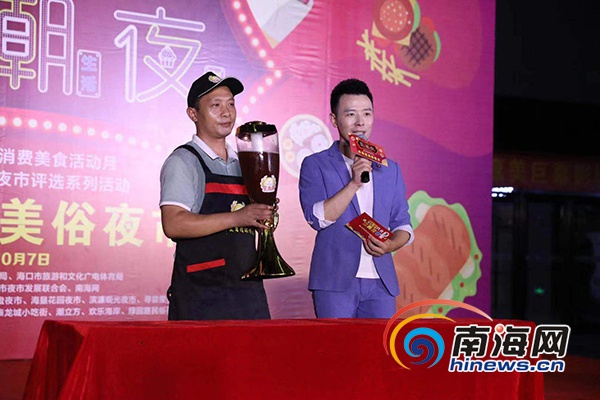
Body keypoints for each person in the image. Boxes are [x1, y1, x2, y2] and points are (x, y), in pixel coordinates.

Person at [159, 71, 274, 320]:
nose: (226, 112)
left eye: (231, 104)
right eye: (216, 105)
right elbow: (173, 223)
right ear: (193, 114)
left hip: (247, 291)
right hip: (202, 293)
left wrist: (263, 214)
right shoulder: (183, 161)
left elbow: (250, 221)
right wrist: (239, 217)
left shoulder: (245, 164)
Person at [299, 78, 414, 318]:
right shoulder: (316, 164)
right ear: (334, 120)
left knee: (379, 343)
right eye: (351, 114)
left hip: (381, 282)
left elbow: (403, 225)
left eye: (367, 114)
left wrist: (390, 245)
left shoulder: (390, 169)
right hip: (334, 281)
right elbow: (317, 218)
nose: (360, 122)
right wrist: (353, 184)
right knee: (336, 343)